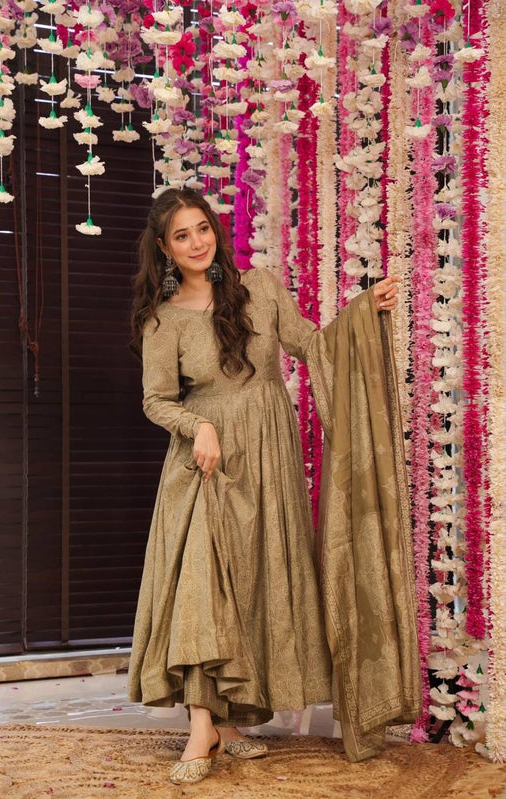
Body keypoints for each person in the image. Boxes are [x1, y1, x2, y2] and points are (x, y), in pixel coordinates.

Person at [127, 187, 406, 785]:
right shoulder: (164, 319)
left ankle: (231, 725)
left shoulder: (264, 288)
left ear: (215, 230)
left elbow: (314, 345)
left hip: (270, 456)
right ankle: (202, 725)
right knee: (203, 583)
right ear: (164, 248)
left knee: (253, 580)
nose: (197, 242)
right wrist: (196, 423)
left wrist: (363, 310)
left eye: (202, 228)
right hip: (206, 461)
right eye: (182, 235)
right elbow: (156, 400)